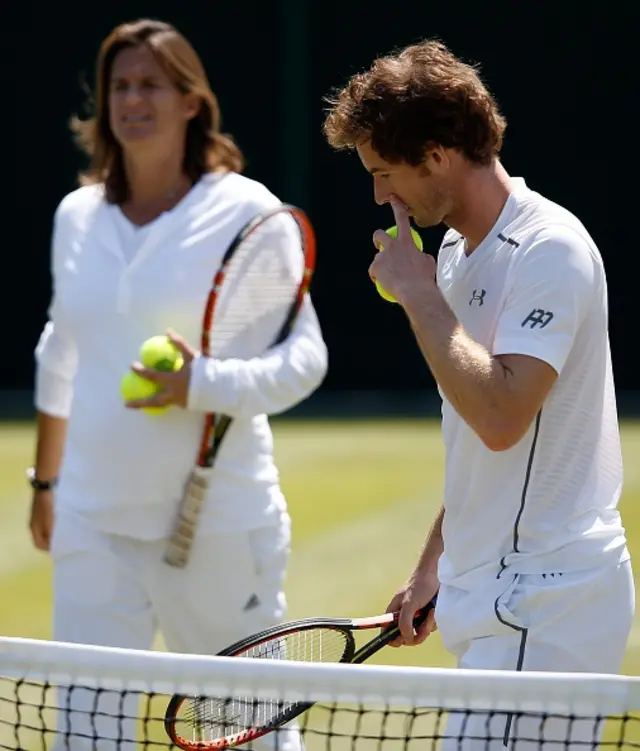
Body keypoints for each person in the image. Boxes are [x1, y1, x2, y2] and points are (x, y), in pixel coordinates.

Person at [323, 39, 634, 748]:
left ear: (435, 155)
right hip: (497, 596)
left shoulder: (549, 248)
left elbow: (500, 415)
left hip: (547, 601)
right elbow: (478, 437)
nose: (378, 195)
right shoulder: (460, 252)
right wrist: (435, 560)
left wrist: (418, 294)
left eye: (383, 172)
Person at [29, 18, 326, 751]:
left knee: (248, 735)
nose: (132, 99)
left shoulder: (247, 212)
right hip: (91, 523)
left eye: (150, 84)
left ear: (191, 101)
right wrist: (46, 483)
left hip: (220, 527)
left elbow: (306, 360)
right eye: (119, 86)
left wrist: (201, 383)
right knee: (82, 738)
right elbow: (59, 350)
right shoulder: (75, 216)